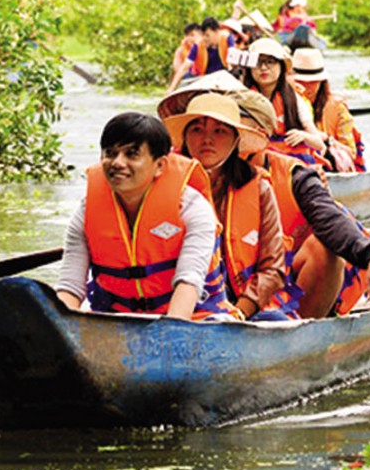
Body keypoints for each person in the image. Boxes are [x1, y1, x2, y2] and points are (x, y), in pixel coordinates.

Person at [230, 90, 370, 318]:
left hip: (286, 278)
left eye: (229, 129)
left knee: (324, 248)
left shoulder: (295, 175)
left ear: (259, 134)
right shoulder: (203, 170)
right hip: (230, 281)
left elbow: (330, 219)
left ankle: (303, 327)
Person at [56, 111, 227, 320]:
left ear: (159, 165)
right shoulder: (86, 212)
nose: (118, 163)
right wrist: (60, 325)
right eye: (110, 153)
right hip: (117, 320)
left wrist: (171, 333)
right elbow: (70, 287)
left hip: (193, 318)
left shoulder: (192, 208)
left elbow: (189, 281)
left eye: (132, 154)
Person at [159, 91, 292, 321]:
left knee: (276, 321)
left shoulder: (258, 186)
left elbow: (272, 268)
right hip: (172, 306)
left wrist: (239, 312)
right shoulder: (160, 182)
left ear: (236, 140)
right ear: (185, 137)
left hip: (239, 306)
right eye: (197, 130)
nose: (207, 139)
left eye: (219, 131)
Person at [243, 37, 326, 165]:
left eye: (270, 62)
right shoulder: (243, 98)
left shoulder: (294, 100)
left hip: (290, 164)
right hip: (255, 163)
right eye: (258, 62)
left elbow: (319, 144)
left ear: (281, 67)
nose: (263, 67)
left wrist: (303, 136)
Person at [292, 46, 365, 172]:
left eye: (313, 82)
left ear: (321, 82)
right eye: (301, 81)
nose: (306, 87)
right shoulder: (283, 102)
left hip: (328, 166)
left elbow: (351, 153)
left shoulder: (337, 108)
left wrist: (326, 139)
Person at [167, 16, 232, 92]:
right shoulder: (198, 45)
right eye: (203, 35)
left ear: (216, 32)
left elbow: (232, 56)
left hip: (224, 76)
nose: (205, 38)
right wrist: (171, 89)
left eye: (207, 35)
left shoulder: (227, 38)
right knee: (185, 79)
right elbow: (184, 68)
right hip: (204, 79)